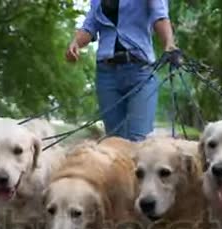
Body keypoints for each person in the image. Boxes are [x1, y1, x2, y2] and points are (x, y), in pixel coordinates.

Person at [66, 0, 176, 141]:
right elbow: (90, 26)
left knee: (138, 138)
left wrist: (169, 44)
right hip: (107, 74)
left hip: (140, 71)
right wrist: (75, 43)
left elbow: (159, 16)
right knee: (115, 141)